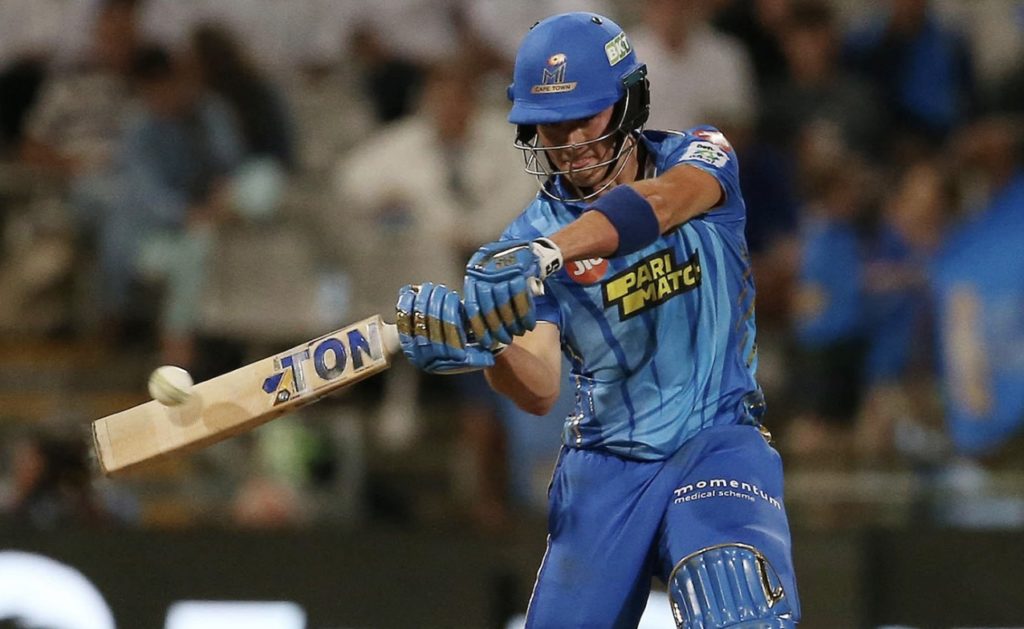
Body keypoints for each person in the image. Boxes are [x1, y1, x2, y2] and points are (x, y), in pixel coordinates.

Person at [394, 12, 800, 627]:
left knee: (734, 599)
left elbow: (655, 205)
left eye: (585, 117)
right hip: (605, 466)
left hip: (716, 442)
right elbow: (538, 387)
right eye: (551, 126)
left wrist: (548, 254)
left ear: (629, 101)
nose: (571, 144)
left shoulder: (697, 156)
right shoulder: (523, 239)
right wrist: (486, 343)